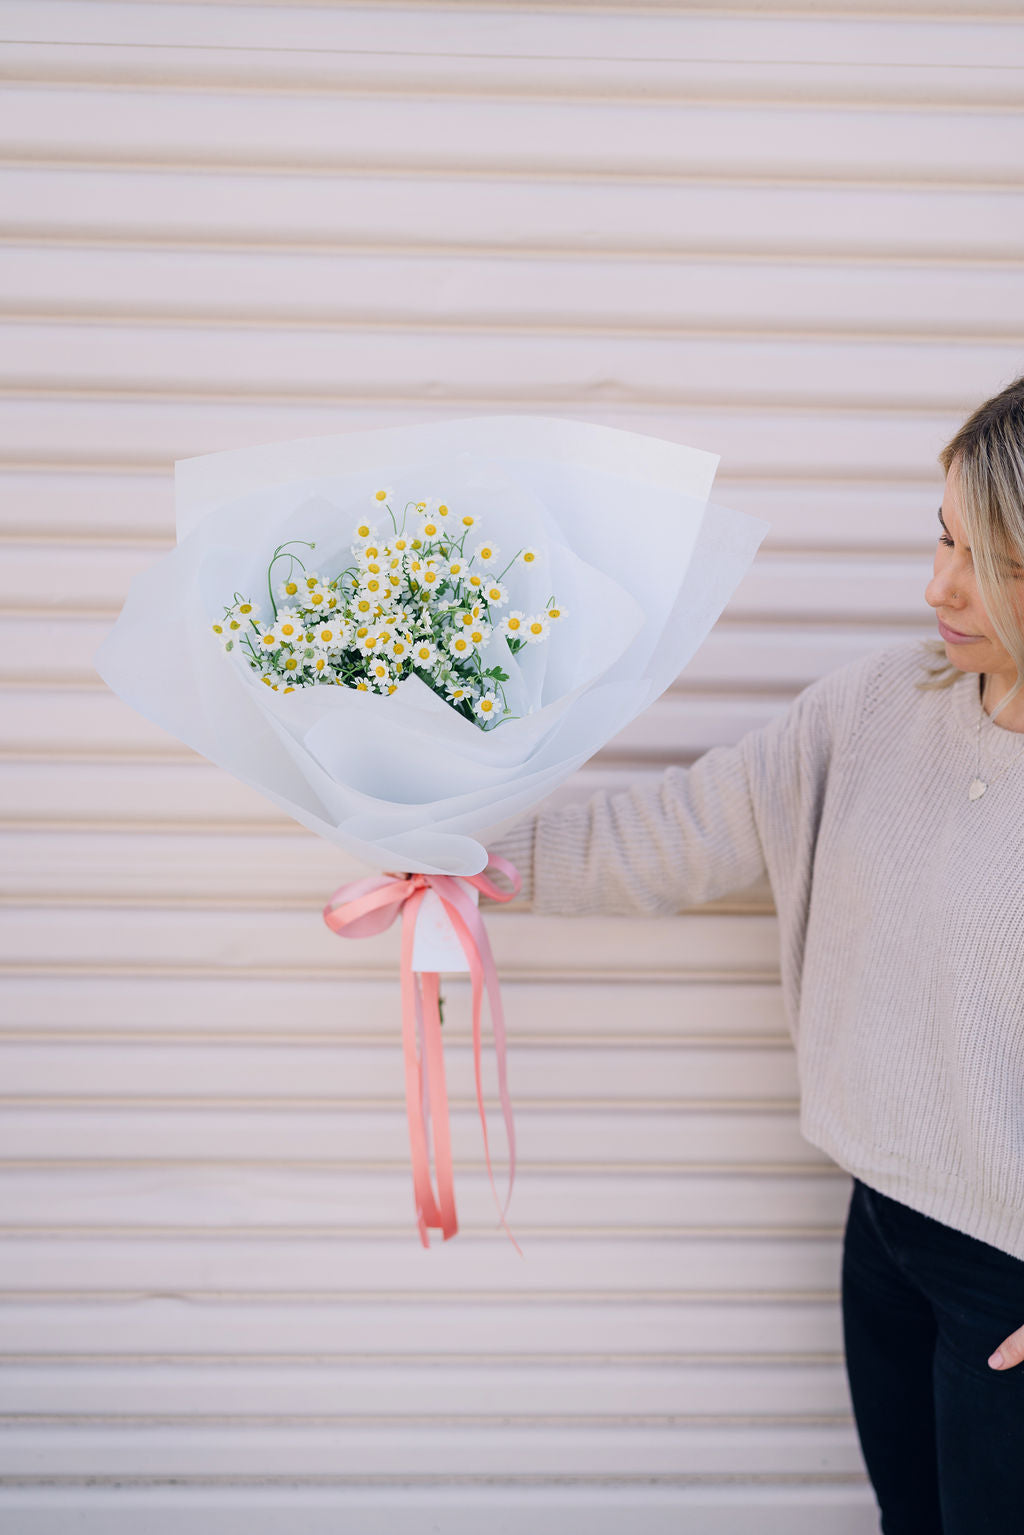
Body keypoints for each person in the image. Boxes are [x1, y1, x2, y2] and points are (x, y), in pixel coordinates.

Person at [484, 377, 1024, 1535]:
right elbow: (673, 835)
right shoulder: (879, 707)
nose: (938, 585)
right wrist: (459, 854)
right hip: (880, 1225)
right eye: (941, 539)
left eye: (989, 559)